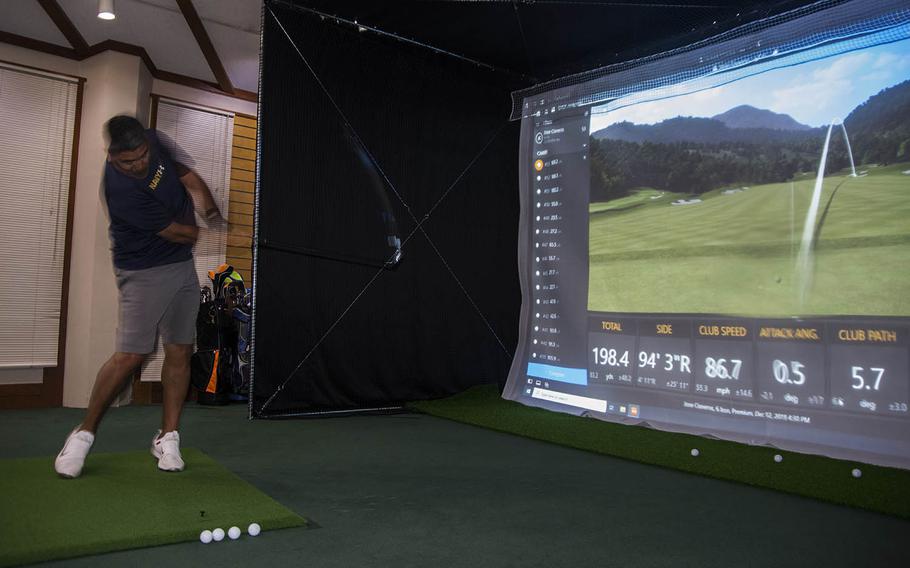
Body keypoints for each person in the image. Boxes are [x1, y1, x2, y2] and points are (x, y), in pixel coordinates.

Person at [54, 115, 223, 478]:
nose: (140, 164)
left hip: (180, 268)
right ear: (112, 157)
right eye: (130, 161)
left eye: (143, 155)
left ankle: (168, 436)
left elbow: (185, 175)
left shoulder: (152, 142)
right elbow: (178, 233)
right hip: (143, 271)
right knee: (132, 354)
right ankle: (83, 434)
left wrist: (210, 207)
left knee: (180, 348)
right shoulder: (120, 189)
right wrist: (220, 237)